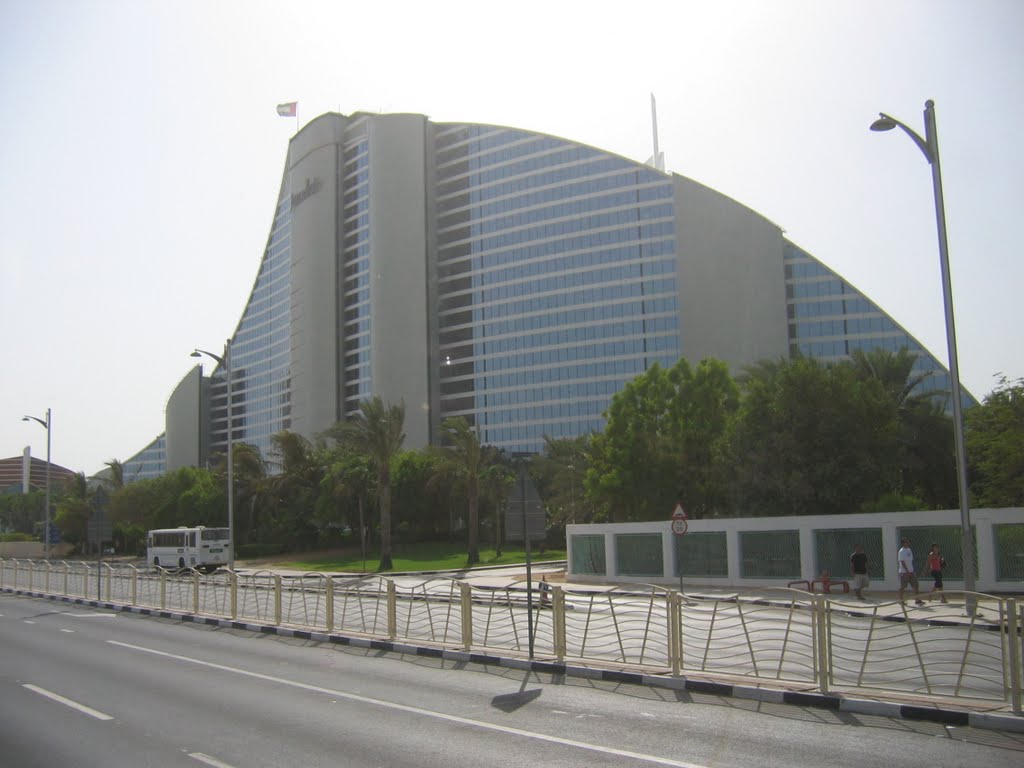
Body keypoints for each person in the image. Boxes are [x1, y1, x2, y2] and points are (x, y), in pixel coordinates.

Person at [897, 538, 925, 606]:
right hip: (904, 572)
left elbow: (911, 561)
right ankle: (901, 600)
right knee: (903, 587)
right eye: (906, 542)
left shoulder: (909, 550)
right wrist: (907, 571)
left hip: (911, 572)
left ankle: (917, 600)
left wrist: (913, 570)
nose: (908, 543)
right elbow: (902, 562)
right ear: (903, 543)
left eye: (908, 542)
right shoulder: (901, 551)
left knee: (915, 585)